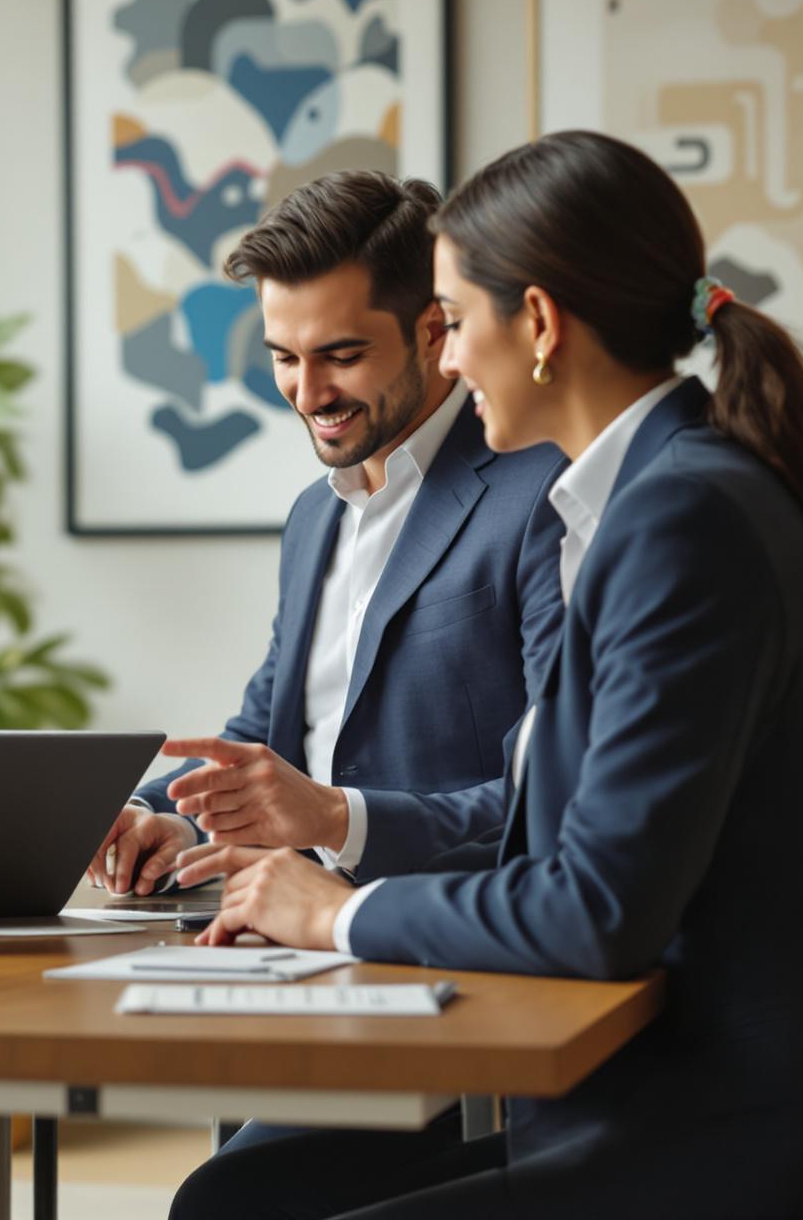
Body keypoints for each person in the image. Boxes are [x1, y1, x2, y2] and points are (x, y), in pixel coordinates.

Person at [173, 130, 803, 1220]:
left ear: (541, 325)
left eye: (455, 321)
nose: (450, 360)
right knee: (240, 1196)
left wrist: (336, 915)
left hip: (756, 1112)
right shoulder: (666, 494)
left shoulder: (681, 518)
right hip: (686, 1078)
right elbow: (565, 845)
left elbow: (597, 909)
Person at [85, 170, 563, 898]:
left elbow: (558, 792)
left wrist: (342, 820)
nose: (308, 395)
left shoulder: (545, 493)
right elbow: (266, 732)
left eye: (342, 357)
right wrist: (169, 820)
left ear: (434, 332)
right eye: (283, 357)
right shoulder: (314, 515)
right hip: (294, 933)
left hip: (452, 931)